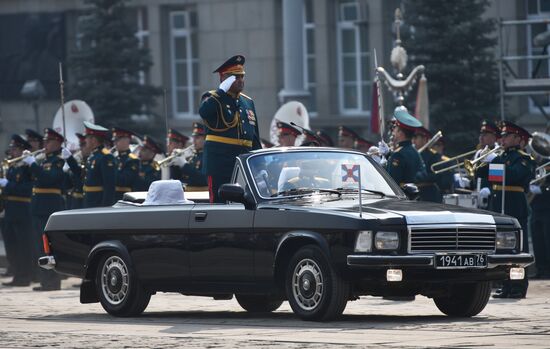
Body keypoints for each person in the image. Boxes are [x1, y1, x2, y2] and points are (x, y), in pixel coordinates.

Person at [483, 121, 536, 298]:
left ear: (517, 138)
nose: (502, 139)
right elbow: (483, 176)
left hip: (515, 205)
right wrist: (482, 163)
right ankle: (506, 285)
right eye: (503, 136)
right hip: (499, 206)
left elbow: (514, 175)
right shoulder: (500, 157)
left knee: (518, 249)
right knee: (502, 248)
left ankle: (518, 286)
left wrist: (494, 166)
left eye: (507, 136)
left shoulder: (524, 159)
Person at [199, 54, 261, 203]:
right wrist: (221, 92)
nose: (240, 80)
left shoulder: (247, 102)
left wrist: (259, 163)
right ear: (223, 79)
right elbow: (204, 112)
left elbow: (254, 137)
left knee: (245, 205)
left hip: (243, 163)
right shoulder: (212, 98)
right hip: (220, 163)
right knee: (220, 206)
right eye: (235, 77)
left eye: (241, 76)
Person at [24, 128, 67, 291]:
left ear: (57, 143)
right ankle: (45, 281)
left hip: (50, 205)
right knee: (39, 246)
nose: (45, 144)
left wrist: (33, 164)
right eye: (45, 141)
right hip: (38, 206)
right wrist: (29, 162)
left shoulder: (59, 161)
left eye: (48, 141)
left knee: (48, 246)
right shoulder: (43, 160)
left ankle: (53, 282)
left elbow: (48, 179)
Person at [0, 135, 33, 286]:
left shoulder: (26, 168)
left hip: (22, 210)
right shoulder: (13, 167)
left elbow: (27, 189)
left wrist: (8, 185)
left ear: (21, 150)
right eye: (12, 148)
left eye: (15, 149)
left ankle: (24, 276)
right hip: (10, 211)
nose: (12, 151)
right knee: (11, 246)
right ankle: (17, 274)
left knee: (22, 246)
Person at [381, 110, 427, 188]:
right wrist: (388, 155)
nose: (393, 132)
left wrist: (382, 166)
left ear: (400, 133)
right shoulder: (414, 151)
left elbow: (392, 181)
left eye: (395, 129)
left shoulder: (398, 154)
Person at [82, 121, 116, 208]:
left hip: (98, 203)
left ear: (93, 140)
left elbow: (109, 186)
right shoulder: (93, 156)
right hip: (90, 202)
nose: (85, 140)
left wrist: (105, 208)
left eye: (87, 138)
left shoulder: (105, 156)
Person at [171, 122, 208, 190]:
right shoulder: (192, 156)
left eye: (197, 138)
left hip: (200, 195)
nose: (193, 141)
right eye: (193, 137)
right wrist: (174, 164)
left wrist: (184, 165)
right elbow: (177, 178)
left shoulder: (207, 156)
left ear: (205, 139)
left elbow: (204, 179)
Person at [530, 157, 550, 279]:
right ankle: (541, 268)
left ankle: (548, 269)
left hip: (548, 209)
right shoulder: (539, 166)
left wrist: (542, 190)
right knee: (538, 241)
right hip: (536, 209)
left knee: (548, 240)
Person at [412, 127, 444, 203]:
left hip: (428, 194)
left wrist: (419, 176)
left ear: (424, 139)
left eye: (416, 137)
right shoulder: (411, 154)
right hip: (413, 193)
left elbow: (436, 176)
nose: (413, 140)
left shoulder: (433, 155)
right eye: (413, 137)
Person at [112, 127, 140, 200]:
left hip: (124, 198)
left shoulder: (133, 160)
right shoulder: (114, 158)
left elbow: (123, 181)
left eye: (117, 140)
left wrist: (110, 168)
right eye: (114, 140)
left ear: (127, 140)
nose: (114, 143)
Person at [64, 133, 89, 209]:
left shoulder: (93, 161)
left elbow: (81, 175)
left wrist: (70, 161)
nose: (81, 148)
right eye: (80, 145)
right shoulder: (81, 160)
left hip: (87, 201)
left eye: (83, 145)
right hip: (75, 201)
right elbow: (68, 184)